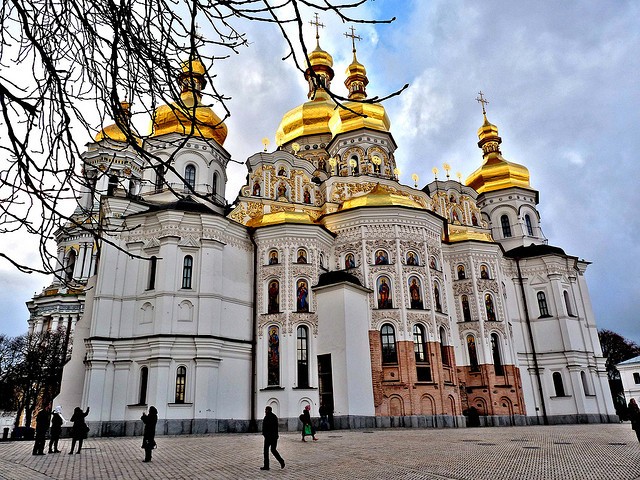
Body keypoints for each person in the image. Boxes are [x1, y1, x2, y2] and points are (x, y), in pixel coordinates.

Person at [261, 406, 285, 470]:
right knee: (273, 450)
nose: (265, 411)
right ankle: (281, 461)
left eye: (266, 410)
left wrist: (265, 434)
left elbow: (265, 427)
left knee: (266, 451)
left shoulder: (267, 417)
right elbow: (276, 427)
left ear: (268, 410)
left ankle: (266, 466)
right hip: (274, 437)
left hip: (269, 437)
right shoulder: (274, 417)